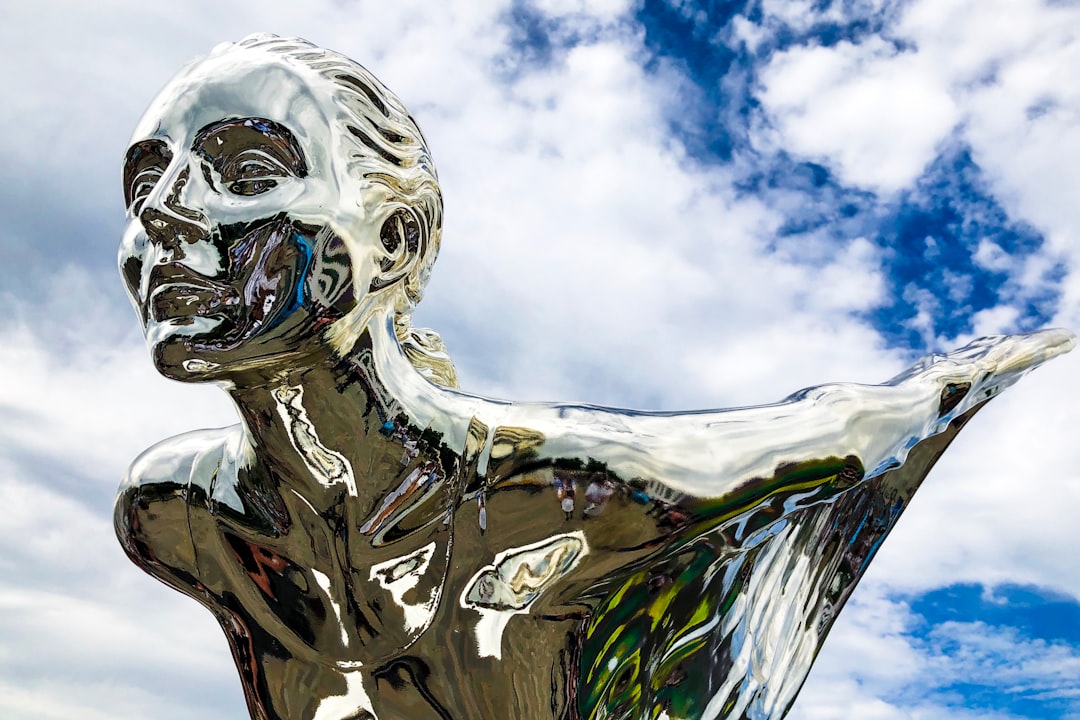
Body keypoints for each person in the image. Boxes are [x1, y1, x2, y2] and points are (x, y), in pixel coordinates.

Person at [114, 34, 1073, 720]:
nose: (163, 213)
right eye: (143, 180)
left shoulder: (561, 499)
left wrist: (979, 369)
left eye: (244, 170)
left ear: (391, 243)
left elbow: (833, 435)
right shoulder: (176, 518)